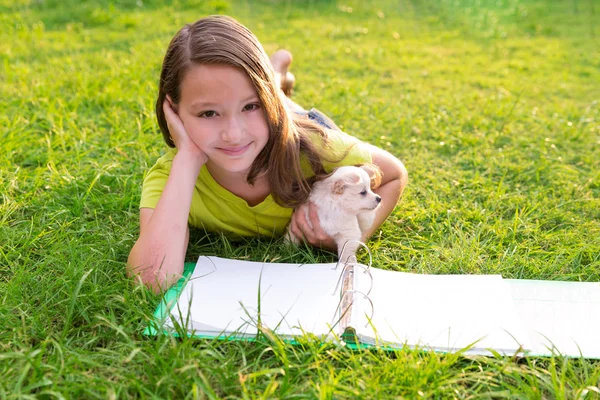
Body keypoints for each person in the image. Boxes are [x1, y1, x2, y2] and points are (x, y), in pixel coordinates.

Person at [127, 15, 408, 292]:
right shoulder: (172, 180)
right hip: (269, 114)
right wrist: (187, 158)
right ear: (174, 111)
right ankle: (274, 76)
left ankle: (276, 78)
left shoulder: (315, 149)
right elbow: (152, 278)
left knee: (283, 107)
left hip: (291, 125)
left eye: (250, 106)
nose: (233, 134)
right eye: (208, 113)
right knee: (261, 99)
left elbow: (393, 173)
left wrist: (352, 237)